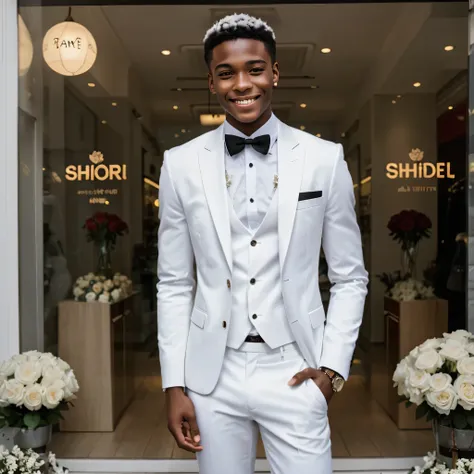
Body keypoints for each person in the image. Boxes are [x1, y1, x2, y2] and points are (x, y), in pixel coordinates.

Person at [157, 13, 368, 474]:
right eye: (226, 72)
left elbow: (351, 277)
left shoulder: (323, 159)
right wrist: (175, 384)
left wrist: (331, 373)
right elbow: (173, 283)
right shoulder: (180, 163)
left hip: (294, 367)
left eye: (254, 69)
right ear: (211, 82)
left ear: (275, 72)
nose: (242, 83)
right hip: (213, 374)